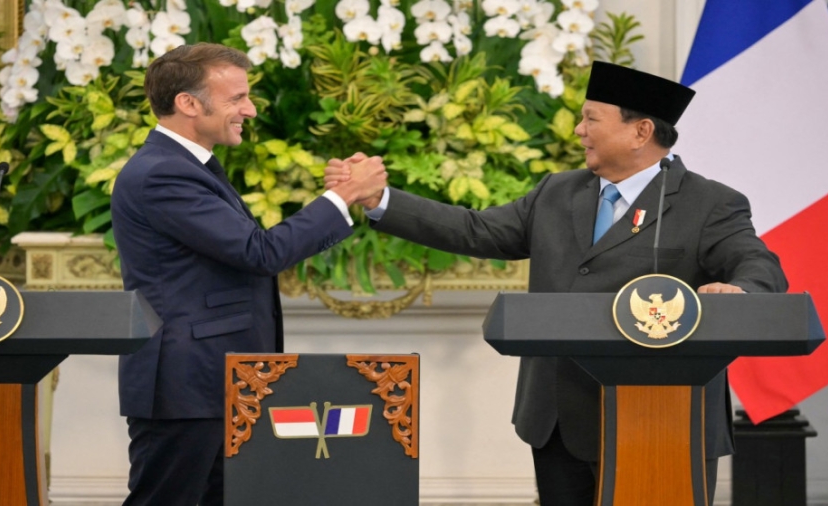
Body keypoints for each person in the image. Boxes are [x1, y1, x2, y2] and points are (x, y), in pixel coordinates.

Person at [325, 61, 787, 506]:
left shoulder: (709, 203)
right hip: (557, 417)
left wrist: (739, 293)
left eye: (591, 119)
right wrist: (379, 198)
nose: (579, 130)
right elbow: (475, 230)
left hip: (663, 421)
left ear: (641, 131)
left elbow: (758, 265)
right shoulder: (556, 192)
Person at [110, 42, 387, 506]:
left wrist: (341, 196)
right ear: (188, 103)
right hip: (187, 384)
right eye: (237, 98)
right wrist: (343, 197)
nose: (250, 109)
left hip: (218, 380)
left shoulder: (186, 166)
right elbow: (259, 253)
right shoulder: (162, 174)